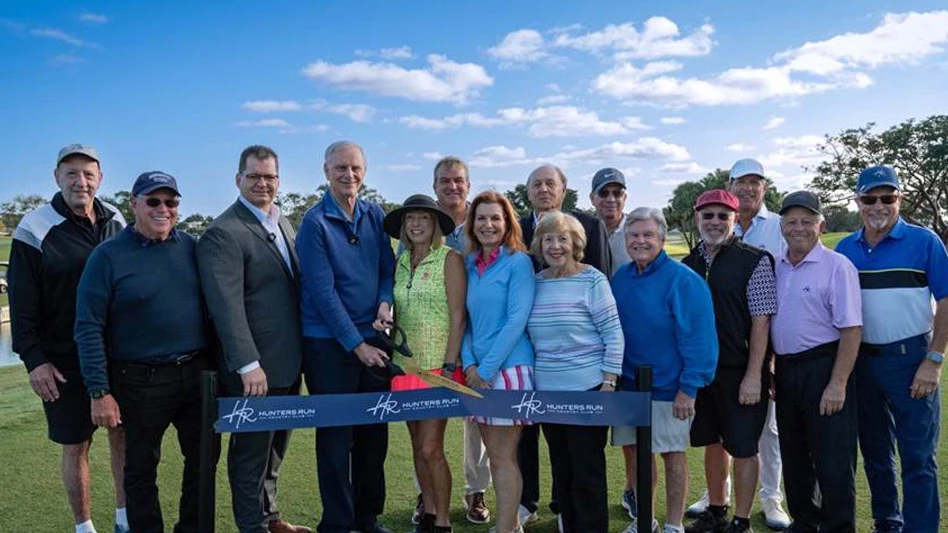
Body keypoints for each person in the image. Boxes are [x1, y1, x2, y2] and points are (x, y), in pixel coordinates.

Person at [74, 171, 210, 533]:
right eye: (153, 201)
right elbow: (88, 326)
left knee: (202, 462)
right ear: (134, 204)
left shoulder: (193, 248)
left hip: (195, 374)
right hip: (139, 379)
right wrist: (99, 391)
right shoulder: (107, 256)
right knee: (140, 469)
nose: (163, 208)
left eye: (171, 202)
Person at [8, 144, 129, 533]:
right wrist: (34, 360)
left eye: (88, 174)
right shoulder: (34, 227)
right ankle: (84, 527)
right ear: (57, 178)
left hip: (117, 354)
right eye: (72, 173)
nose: (81, 181)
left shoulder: (116, 219)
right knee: (76, 444)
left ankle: (124, 520)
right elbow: (22, 301)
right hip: (62, 360)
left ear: (100, 178)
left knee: (122, 434)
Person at [196, 145, 311, 533]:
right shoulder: (222, 233)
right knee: (250, 455)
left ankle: (271, 517)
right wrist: (248, 364)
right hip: (255, 370)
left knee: (275, 450)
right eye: (254, 176)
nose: (263, 183)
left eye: (270, 177)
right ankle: (252, 526)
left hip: (287, 362)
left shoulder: (283, 223)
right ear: (238, 180)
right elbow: (225, 306)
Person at [836, 166, 947, 533]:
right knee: (876, 454)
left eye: (888, 197)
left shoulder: (925, 241)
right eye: (870, 198)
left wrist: (934, 359)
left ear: (899, 199)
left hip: (911, 360)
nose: (878, 205)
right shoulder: (845, 249)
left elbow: (946, 301)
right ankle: (888, 522)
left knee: (917, 457)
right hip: (861, 363)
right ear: (858, 202)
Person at [296, 141, 396, 533]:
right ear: (326, 171)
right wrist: (357, 346)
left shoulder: (374, 215)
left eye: (355, 168)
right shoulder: (314, 223)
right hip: (329, 345)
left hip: (375, 339)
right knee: (337, 441)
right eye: (340, 168)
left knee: (374, 436)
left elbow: (387, 270)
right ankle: (337, 524)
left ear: (364, 172)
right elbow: (322, 293)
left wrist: (385, 302)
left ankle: (366, 518)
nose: (348, 175)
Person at [688, 158, 790, 531]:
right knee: (713, 442)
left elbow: (762, 322)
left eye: (722, 216)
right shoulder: (689, 263)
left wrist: (754, 376)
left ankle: (742, 519)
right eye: (708, 215)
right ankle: (717, 508)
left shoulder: (755, 260)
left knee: (745, 445)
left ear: (734, 220)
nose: (715, 222)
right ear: (697, 218)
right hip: (703, 372)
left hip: (742, 371)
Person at [611, 207, 718, 533]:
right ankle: (646, 520)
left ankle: (673, 525)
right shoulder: (621, 277)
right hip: (629, 386)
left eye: (648, 235)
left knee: (672, 456)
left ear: (660, 238)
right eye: (634, 235)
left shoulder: (684, 280)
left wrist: (689, 388)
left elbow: (700, 339)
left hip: (671, 388)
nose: (640, 241)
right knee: (636, 455)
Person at [517, 163, 611, 526]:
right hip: (543, 372)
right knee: (559, 455)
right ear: (529, 191)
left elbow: (606, 311)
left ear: (563, 189)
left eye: (550, 183)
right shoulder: (520, 231)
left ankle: (575, 516)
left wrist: (609, 374)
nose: (543, 189)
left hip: (586, 375)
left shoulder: (588, 227)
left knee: (585, 462)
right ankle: (546, 507)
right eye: (537, 184)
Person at [526, 211, 623, 533]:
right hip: (548, 393)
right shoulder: (535, 283)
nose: (555, 246)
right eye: (548, 239)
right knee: (562, 470)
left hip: (588, 389)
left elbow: (613, 333)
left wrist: (609, 381)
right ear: (539, 244)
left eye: (562, 239)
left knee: (587, 472)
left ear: (575, 243)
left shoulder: (592, 279)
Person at [771, 191, 862, 533]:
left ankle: (839, 526)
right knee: (794, 454)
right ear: (782, 226)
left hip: (824, 367)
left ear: (821, 225)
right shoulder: (775, 265)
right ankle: (805, 523)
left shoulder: (837, 267)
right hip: (785, 369)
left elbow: (852, 330)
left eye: (806, 222)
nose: (798, 228)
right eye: (791, 222)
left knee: (833, 459)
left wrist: (837, 383)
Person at [408, 156, 491, 527]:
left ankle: (476, 492)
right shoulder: (419, 225)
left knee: (477, 424)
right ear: (435, 185)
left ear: (467, 185)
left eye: (458, 180)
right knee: (424, 440)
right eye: (445, 181)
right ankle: (425, 499)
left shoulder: (482, 222)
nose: (452, 186)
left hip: (476, 339)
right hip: (424, 348)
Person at [377, 193, 467, 533]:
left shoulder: (450, 259)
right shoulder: (399, 263)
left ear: (435, 225)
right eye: (410, 218)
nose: (416, 224)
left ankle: (443, 522)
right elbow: (392, 303)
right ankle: (428, 515)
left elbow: (459, 316)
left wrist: (448, 365)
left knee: (432, 448)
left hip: (437, 369)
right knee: (417, 445)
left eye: (423, 218)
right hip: (404, 368)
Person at [461, 191, 536, 533]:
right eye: (481, 218)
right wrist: (469, 365)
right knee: (494, 455)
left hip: (509, 370)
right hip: (478, 372)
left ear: (507, 224)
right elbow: (464, 320)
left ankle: (507, 528)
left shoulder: (518, 261)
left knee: (503, 457)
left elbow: (517, 319)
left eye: (495, 218)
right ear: (472, 224)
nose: (488, 224)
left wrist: (486, 369)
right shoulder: (468, 264)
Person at [589, 167, 631, 276]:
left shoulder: (637, 231)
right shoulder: (582, 231)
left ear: (624, 198)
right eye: (604, 193)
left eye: (617, 193)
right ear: (592, 198)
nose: (611, 199)